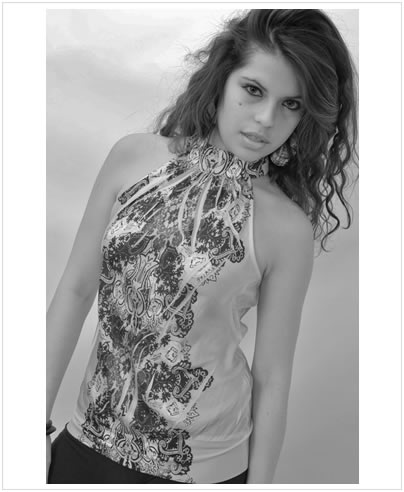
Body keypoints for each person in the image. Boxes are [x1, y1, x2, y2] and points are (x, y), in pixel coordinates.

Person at [46, 8, 358, 484]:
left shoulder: (287, 229)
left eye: (291, 104)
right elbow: (74, 290)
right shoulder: (132, 157)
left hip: (206, 468)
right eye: (253, 90)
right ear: (222, 79)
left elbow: (272, 377)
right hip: (86, 440)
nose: (266, 119)